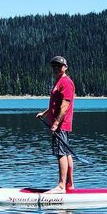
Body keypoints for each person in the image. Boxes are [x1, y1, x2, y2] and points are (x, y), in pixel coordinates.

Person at [36, 55, 76, 193]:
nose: (56, 68)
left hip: (61, 124)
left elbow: (65, 105)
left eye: (59, 66)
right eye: (54, 66)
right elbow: (56, 104)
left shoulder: (66, 82)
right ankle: (69, 185)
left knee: (60, 153)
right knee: (66, 153)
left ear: (65, 67)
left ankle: (61, 186)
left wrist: (56, 123)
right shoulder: (59, 82)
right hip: (60, 123)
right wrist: (45, 113)